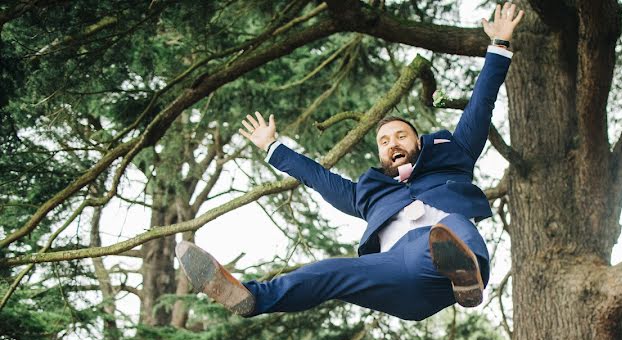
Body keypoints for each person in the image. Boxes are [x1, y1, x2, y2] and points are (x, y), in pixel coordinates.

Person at [176, 4, 525, 321]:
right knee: (329, 271)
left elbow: (481, 103)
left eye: (401, 136)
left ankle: (465, 278)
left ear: (419, 142)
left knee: (452, 228)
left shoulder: (454, 158)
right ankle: (251, 297)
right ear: (380, 154)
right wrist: (273, 147)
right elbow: (318, 178)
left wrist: (498, 46)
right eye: (384, 141)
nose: (393, 144)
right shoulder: (369, 195)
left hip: (441, 260)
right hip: (393, 272)